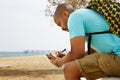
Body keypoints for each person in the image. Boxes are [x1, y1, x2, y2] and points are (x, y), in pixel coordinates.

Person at [48, 3, 120, 80]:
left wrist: (58, 62)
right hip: (114, 56)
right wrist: (67, 58)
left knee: (70, 70)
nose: (62, 28)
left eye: (59, 24)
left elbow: (77, 53)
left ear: (65, 14)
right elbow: (92, 52)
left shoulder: (74, 17)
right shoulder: (87, 14)